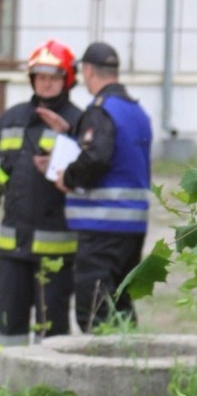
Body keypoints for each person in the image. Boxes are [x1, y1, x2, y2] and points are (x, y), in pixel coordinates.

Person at [0, 41, 82, 353]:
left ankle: (47, 388)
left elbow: (90, 173)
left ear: (67, 79)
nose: (46, 83)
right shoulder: (11, 119)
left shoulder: (80, 122)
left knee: (52, 325)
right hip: (12, 246)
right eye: (40, 76)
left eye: (53, 77)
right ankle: (6, 383)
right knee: (9, 319)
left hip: (57, 247)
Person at [39, 41, 152, 332]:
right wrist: (69, 133)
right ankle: (132, 366)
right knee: (120, 303)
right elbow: (118, 156)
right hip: (132, 228)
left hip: (102, 228)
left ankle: (106, 373)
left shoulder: (102, 110)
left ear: (88, 71)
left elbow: (97, 157)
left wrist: (67, 177)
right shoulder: (136, 111)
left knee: (95, 311)